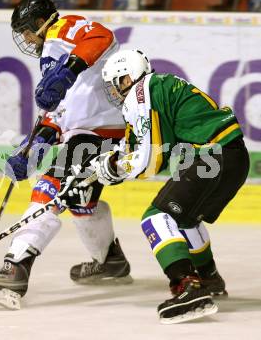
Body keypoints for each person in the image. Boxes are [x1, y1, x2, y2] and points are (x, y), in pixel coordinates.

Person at [0, 0, 133, 309]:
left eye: (27, 30)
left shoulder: (63, 29)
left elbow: (102, 36)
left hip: (102, 134)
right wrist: (33, 148)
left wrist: (68, 68)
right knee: (81, 201)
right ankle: (110, 261)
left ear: (41, 23)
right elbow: (58, 113)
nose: (26, 38)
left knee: (49, 188)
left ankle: (16, 268)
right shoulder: (56, 53)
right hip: (89, 134)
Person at [61, 49, 249, 324]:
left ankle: (187, 285)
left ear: (127, 78)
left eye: (115, 83)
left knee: (156, 218)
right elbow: (142, 151)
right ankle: (209, 280)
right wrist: (93, 172)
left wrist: (112, 170)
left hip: (212, 156)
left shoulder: (142, 92)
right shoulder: (155, 90)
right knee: (184, 221)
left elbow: (148, 160)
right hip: (233, 157)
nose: (113, 92)